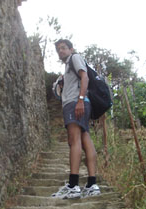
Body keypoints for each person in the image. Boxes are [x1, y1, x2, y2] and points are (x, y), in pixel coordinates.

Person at [52, 39, 101, 199]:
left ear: (71, 49)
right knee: (85, 138)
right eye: (58, 49)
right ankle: (92, 184)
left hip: (75, 103)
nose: (61, 51)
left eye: (63, 48)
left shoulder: (74, 58)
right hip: (79, 103)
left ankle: (73, 185)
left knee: (74, 141)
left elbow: (84, 77)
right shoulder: (69, 66)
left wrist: (80, 99)